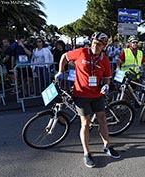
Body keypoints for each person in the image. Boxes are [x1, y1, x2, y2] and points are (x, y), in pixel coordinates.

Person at [55, 32, 120, 168]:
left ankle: (107, 145)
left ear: (104, 46)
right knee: (85, 123)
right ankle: (87, 153)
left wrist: (106, 85)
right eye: (95, 43)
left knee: (102, 119)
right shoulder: (82, 52)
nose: (96, 46)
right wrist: (60, 71)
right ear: (92, 42)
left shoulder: (104, 60)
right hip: (81, 95)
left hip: (97, 95)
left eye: (100, 45)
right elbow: (64, 57)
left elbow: (107, 78)